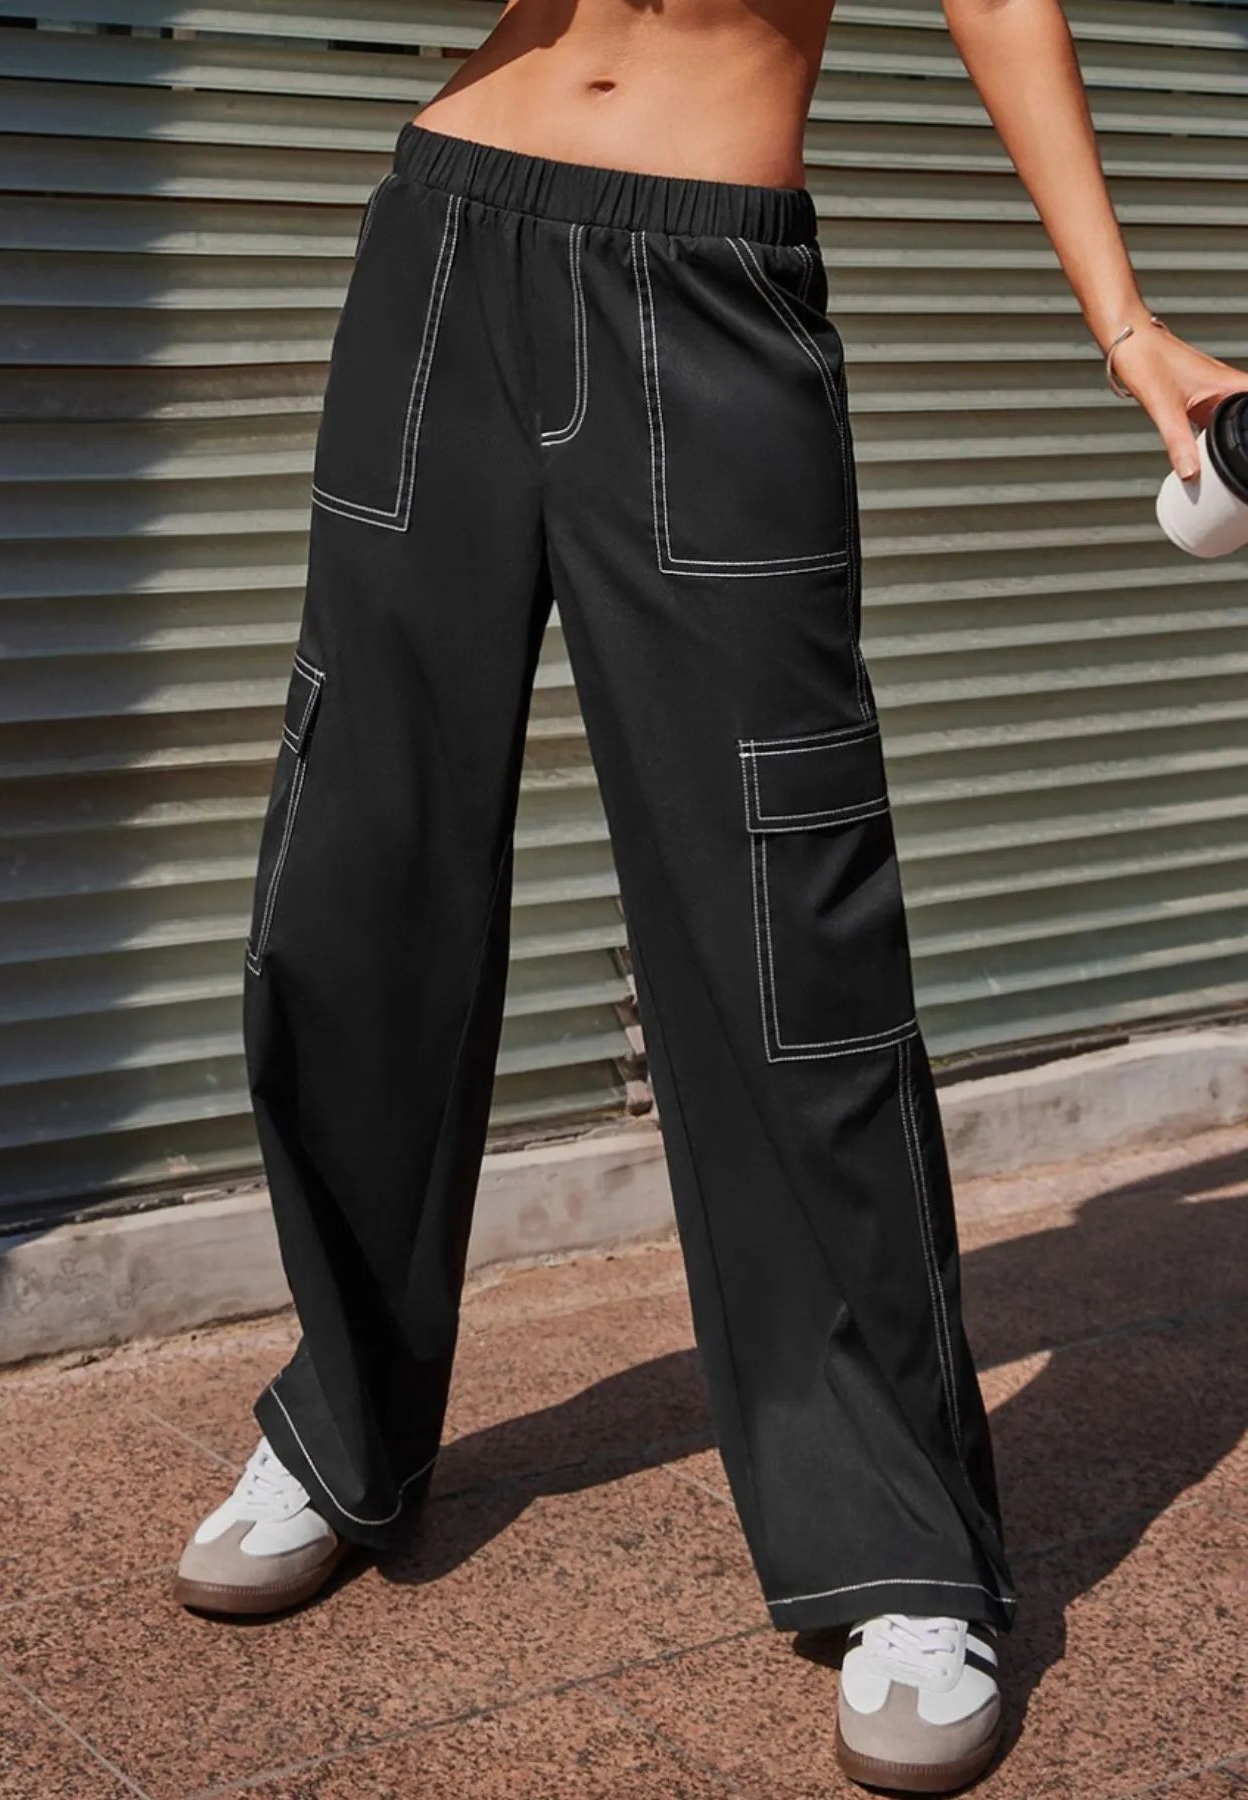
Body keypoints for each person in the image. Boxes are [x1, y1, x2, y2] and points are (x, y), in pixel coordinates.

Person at [173, 0, 1247, 1789]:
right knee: (358, 886)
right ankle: (340, 1426)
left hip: (706, 298)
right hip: (442, 260)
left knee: (785, 928)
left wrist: (1122, 326)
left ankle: (897, 1543)